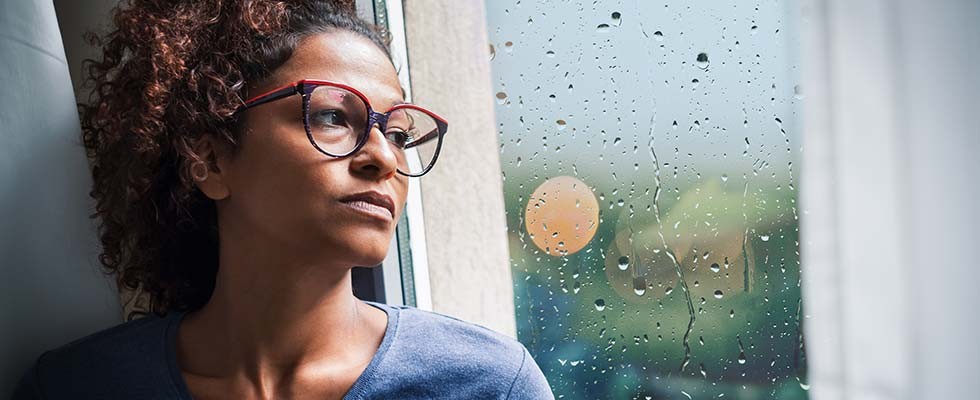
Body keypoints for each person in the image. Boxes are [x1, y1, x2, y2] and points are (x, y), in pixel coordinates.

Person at [11, 1, 552, 399]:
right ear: (213, 160)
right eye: (334, 116)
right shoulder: (75, 387)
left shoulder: (489, 385)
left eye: (399, 134)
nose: (384, 158)